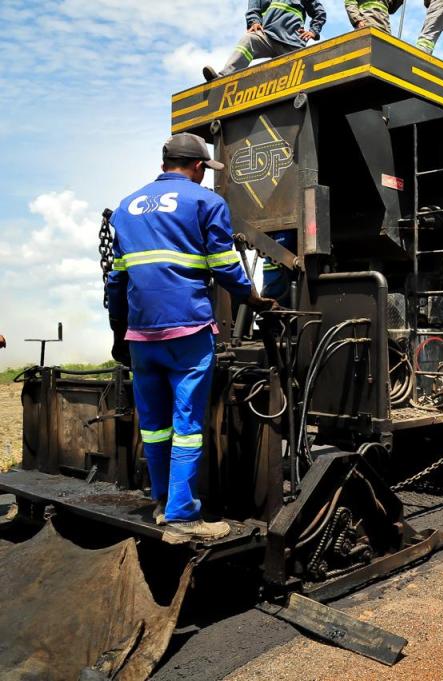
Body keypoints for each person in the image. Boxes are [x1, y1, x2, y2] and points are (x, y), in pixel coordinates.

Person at [106, 133, 276, 540]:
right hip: (188, 330)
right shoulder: (205, 202)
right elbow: (224, 265)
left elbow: (116, 281)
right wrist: (254, 301)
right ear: (198, 167)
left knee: (154, 426)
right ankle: (184, 516)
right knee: (186, 424)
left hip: (140, 335)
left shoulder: (127, 208)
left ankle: (163, 503)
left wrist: (118, 331)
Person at [203, 0, 327, 82]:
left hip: (292, 43)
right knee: (249, 39)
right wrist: (255, 22)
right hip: (267, 37)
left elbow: (319, 13)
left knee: (298, 77)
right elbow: (253, 9)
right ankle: (223, 78)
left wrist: (313, 31)